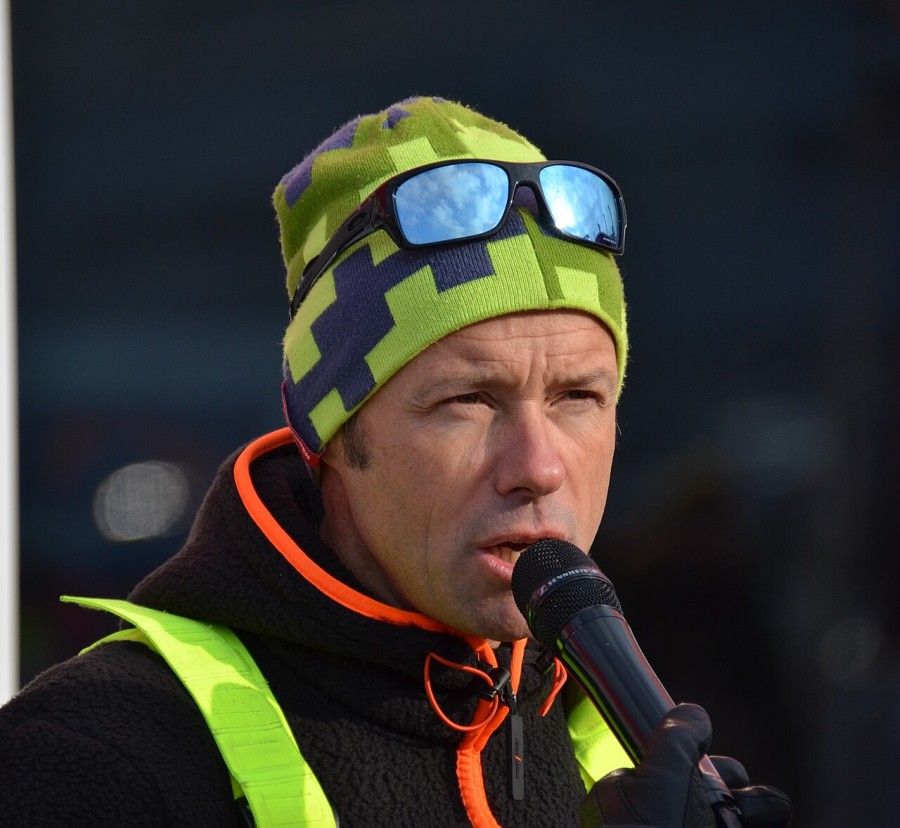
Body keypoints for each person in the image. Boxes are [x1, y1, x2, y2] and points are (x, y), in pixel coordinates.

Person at [0, 96, 792, 827]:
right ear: (329, 434)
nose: (539, 467)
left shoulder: (635, 739)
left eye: (578, 396)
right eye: (468, 400)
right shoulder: (94, 755)